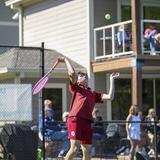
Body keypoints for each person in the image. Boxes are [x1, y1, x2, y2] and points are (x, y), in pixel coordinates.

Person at [57, 56, 120, 160]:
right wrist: (65, 60)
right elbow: (72, 73)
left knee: (88, 151)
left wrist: (111, 80)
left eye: (84, 76)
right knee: (74, 148)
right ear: (78, 80)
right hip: (75, 119)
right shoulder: (76, 88)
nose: (83, 77)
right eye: (80, 76)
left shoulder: (93, 94)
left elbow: (110, 96)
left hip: (87, 122)